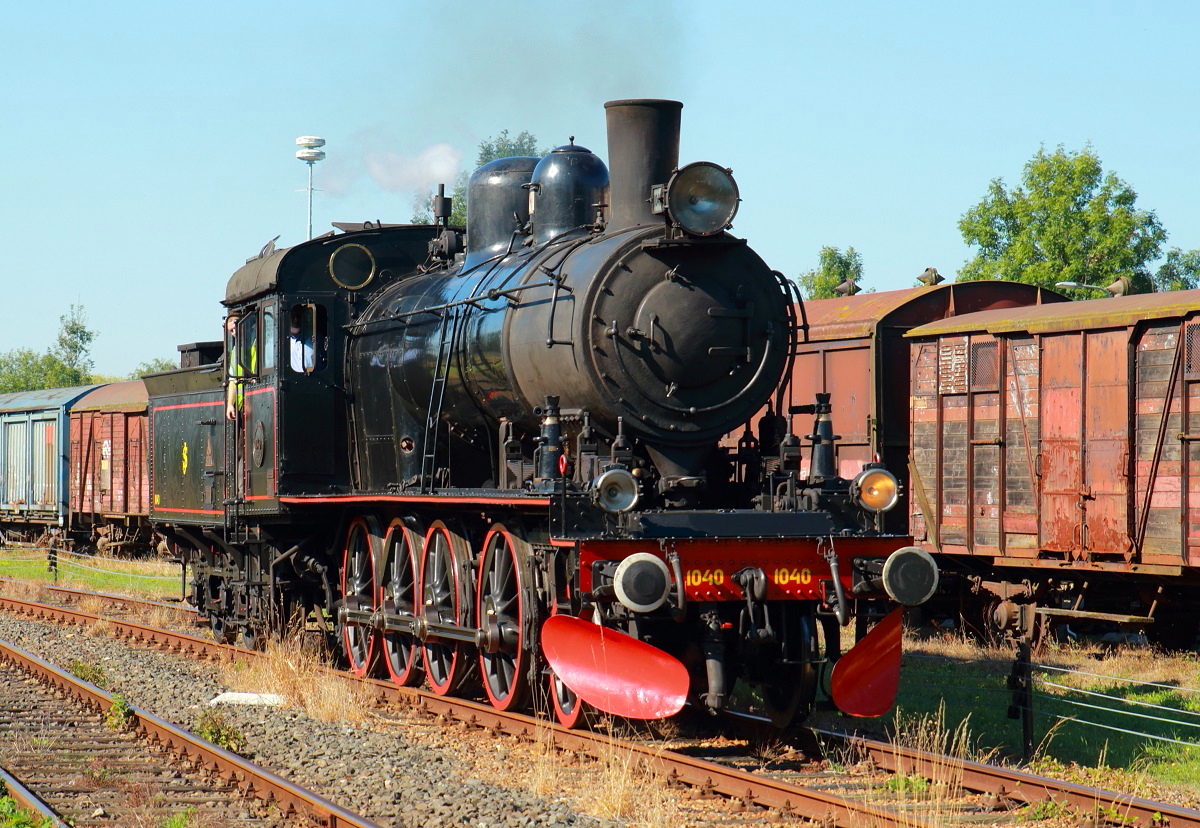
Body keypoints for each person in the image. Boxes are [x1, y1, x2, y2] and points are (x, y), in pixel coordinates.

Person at [289, 308, 315, 373]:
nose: (295, 319)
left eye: (298, 316)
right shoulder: (275, 344)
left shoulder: (316, 339)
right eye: (292, 316)